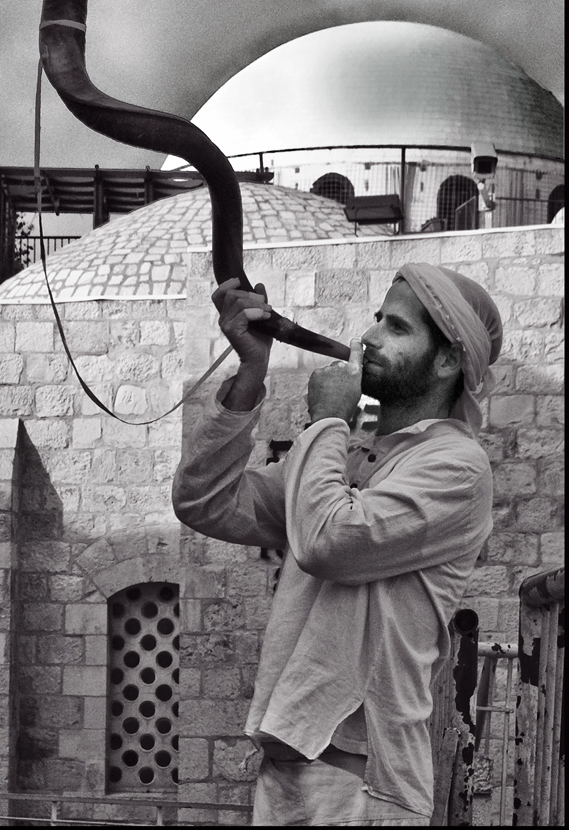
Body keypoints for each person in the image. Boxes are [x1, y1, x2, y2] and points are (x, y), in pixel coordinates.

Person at [172, 264, 503, 827]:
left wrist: (327, 420)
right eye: (376, 319)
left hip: (364, 788)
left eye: (396, 328)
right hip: (292, 768)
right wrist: (253, 370)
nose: (369, 336)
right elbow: (205, 501)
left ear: (447, 360)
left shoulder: (457, 468)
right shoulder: (353, 455)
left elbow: (329, 541)